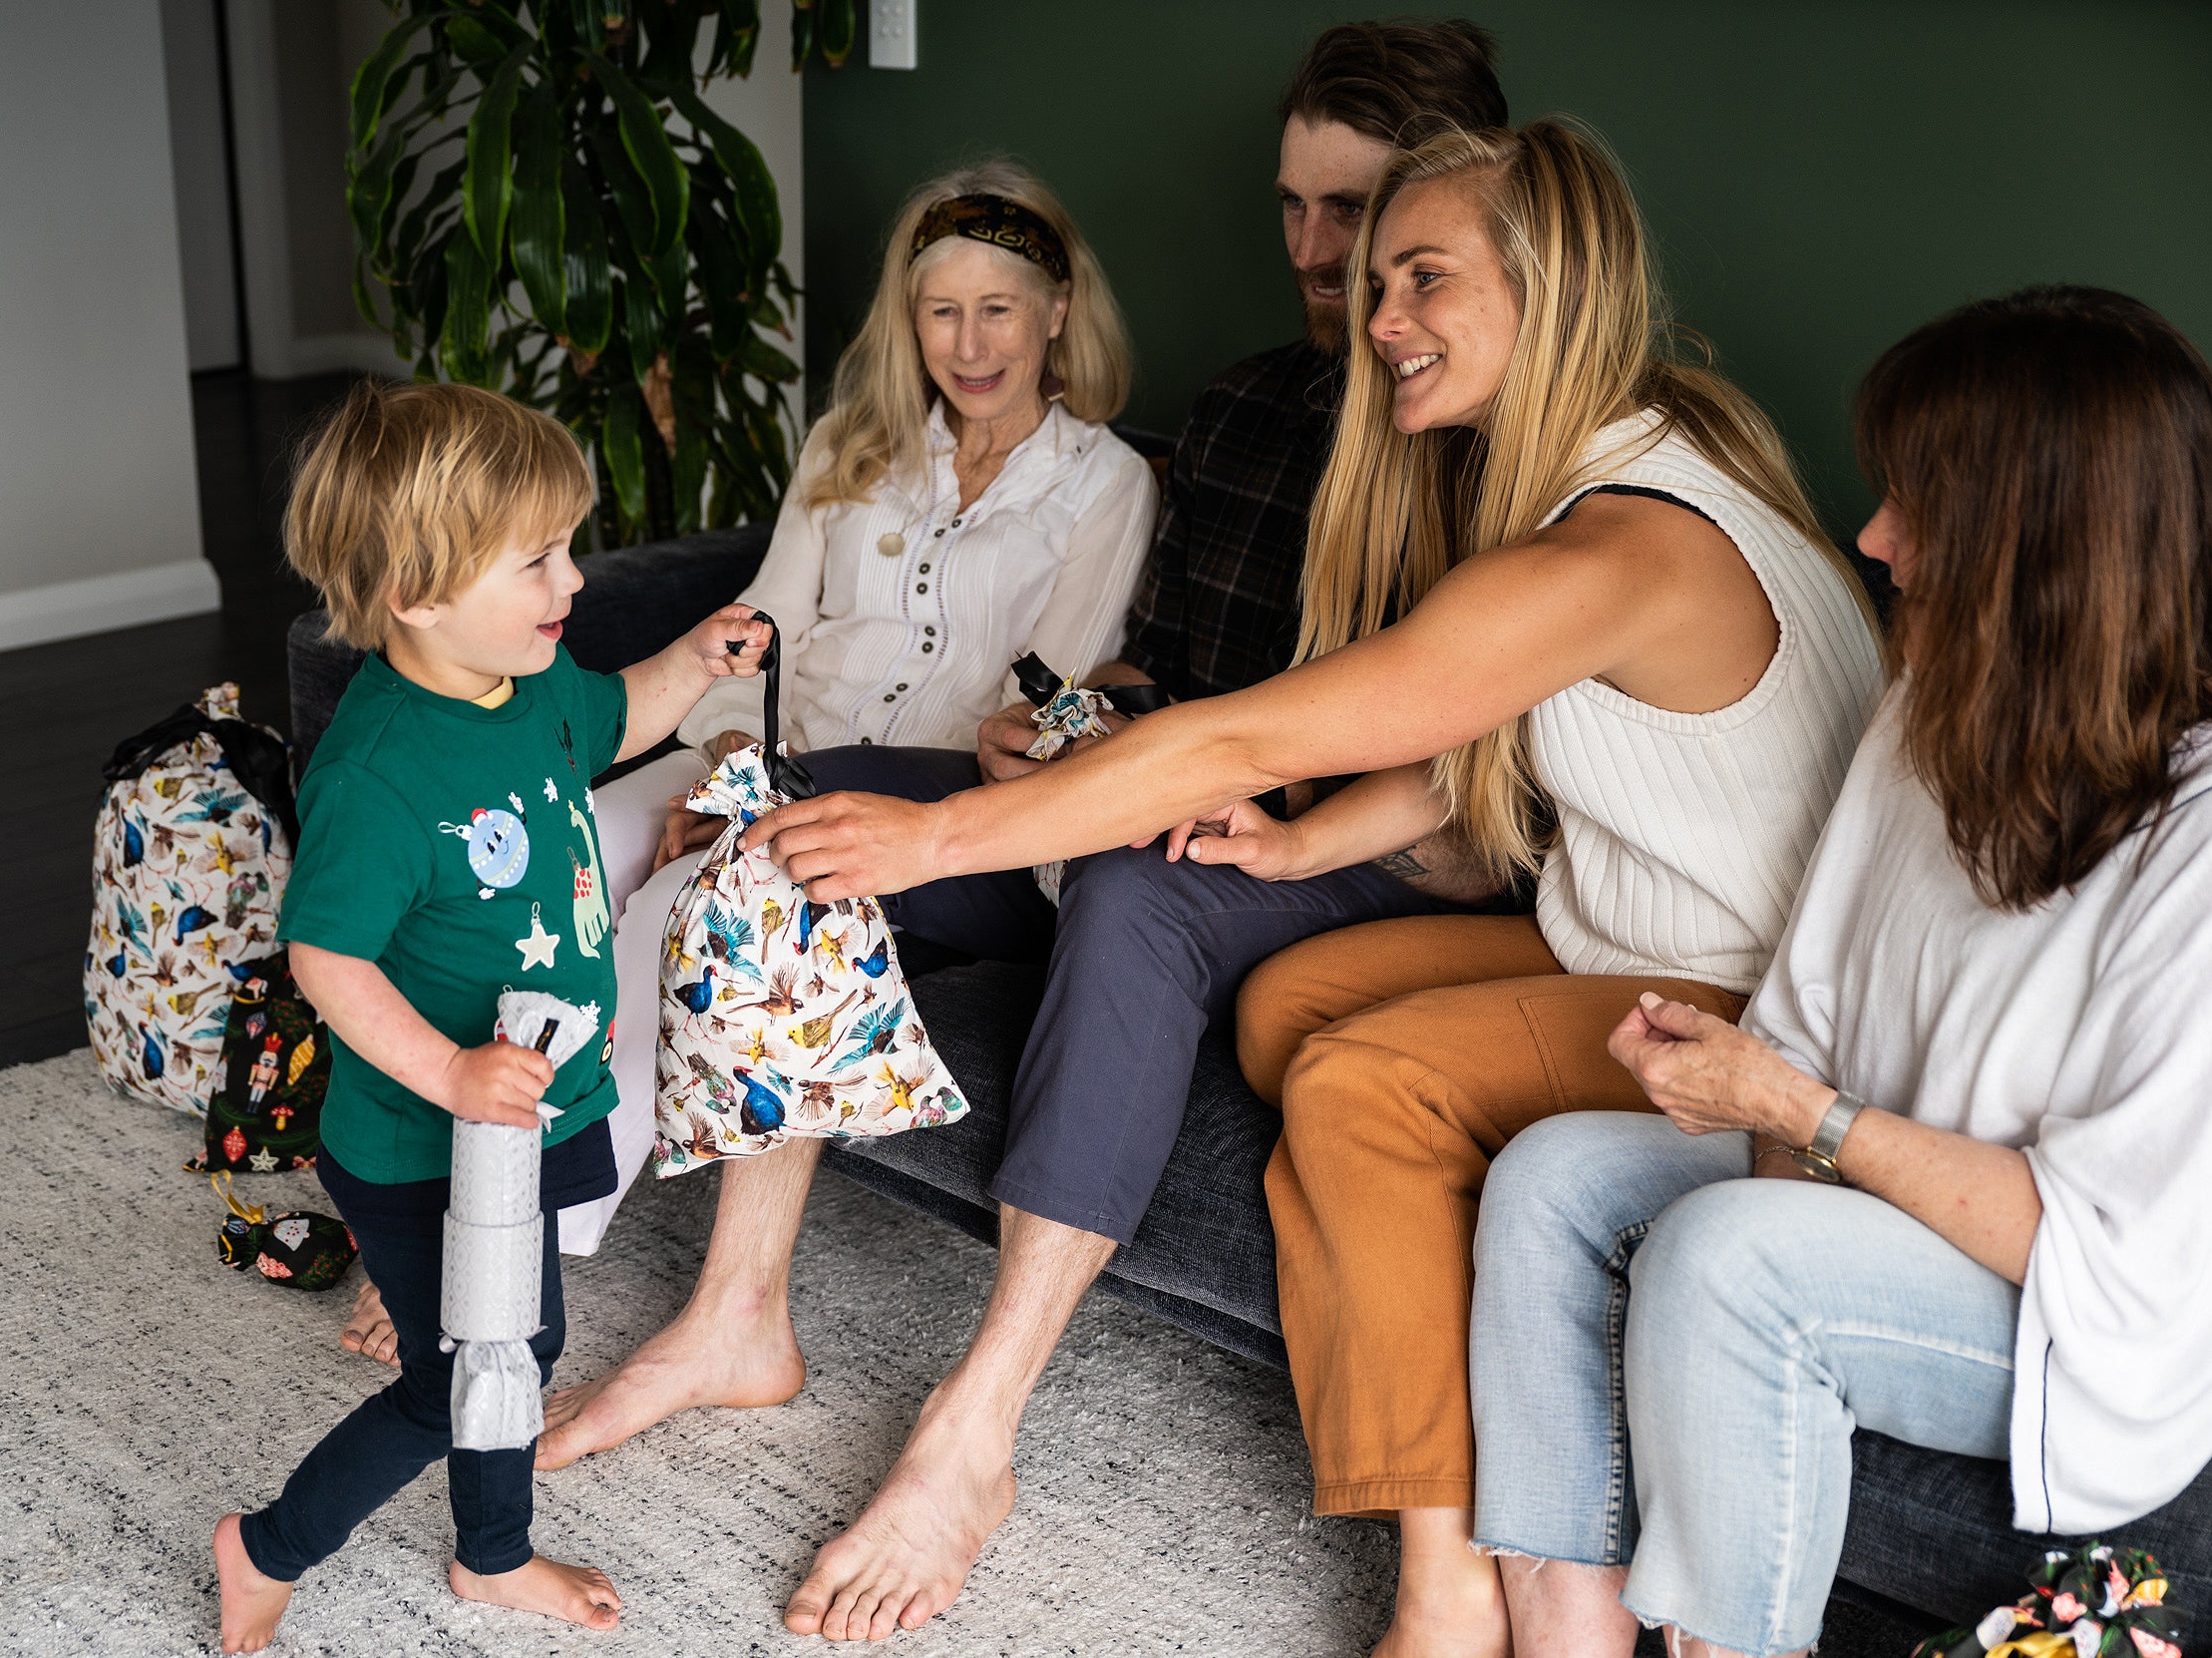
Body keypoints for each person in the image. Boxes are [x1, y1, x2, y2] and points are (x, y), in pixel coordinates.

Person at [743, 121, 1886, 1657]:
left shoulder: (1612, 546)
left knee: (1351, 1088)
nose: (1377, 310)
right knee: (1283, 1000)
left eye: (1424, 276)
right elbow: (1486, 722)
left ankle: (1448, 1584)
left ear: (1554, 291)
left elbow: (1254, 729)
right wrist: (1293, 847)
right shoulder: (1644, 455)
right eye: (1378, 273)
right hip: (1615, 946)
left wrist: (934, 842)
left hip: (1737, 998)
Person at [528, 24, 1515, 1645]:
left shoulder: (1508, 454)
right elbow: (1161, 665)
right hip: (1147, 777)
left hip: (1333, 846)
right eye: (1297, 212)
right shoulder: (1255, 408)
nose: (1322, 261)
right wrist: (1066, 710)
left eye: (1366, 223)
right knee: (791, 824)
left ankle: (971, 1432)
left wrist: (1204, 787)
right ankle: (734, 1311)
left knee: (1132, 878)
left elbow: (1463, 782)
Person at [1468, 286, 2212, 1658]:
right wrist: (1739, 1085)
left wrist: (1801, 1121)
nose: (1872, 537)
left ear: (2039, 545)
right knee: (1553, 1178)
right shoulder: (1924, 713)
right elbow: (1802, 1036)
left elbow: (2088, 1246)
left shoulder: (2197, 840)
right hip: (1879, 1190)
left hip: (2076, 1314)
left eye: (1917, 504)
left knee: (1731, 1262)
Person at [336, 160, 1155, 1370]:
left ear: (1056, 313)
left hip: (892, 802)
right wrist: (722, 756)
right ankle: (416, 1175)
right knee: (550, 854)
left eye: (998, 309)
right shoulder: (848, 446)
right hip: (755, 751)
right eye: (940, 310)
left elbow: (1041, 713)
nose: (969, 343)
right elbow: (762, 623)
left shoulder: (1107, 486)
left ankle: (511, 1245)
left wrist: (752, 812)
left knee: (675, 908)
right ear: (906, 317)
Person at [209, 380, 773, 1653]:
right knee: (459, 1375)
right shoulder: (379, 770)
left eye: (565, 547)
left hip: (530, 1113)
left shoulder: (525, 682)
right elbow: (327, 958)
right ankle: (270, 1544)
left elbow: (612, 719)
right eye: (534, 560)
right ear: (414, 593)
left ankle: (490, 1555)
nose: (568, 582)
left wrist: (693, 659)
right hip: (427, 1142)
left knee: (516, 1343)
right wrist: (451, 1073)